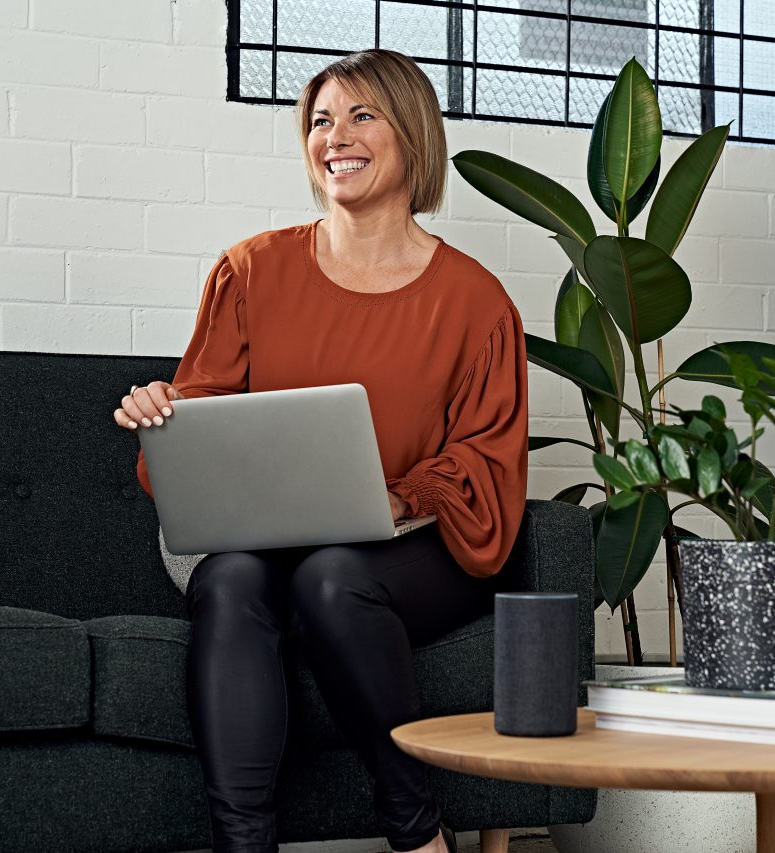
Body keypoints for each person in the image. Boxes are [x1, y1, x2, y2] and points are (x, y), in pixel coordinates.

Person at [113, 48, 528, 853]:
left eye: (361, 115)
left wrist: (402, 495)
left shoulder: (476, 302)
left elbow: (486, 456)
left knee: (331, 578)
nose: (334, 137)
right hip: (259, 534)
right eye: (320, 120)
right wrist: (168, 414)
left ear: (412, 134)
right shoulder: (250, 270)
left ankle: (418, 833)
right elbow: (204, 405)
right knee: (232, 580)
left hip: (409, 541)